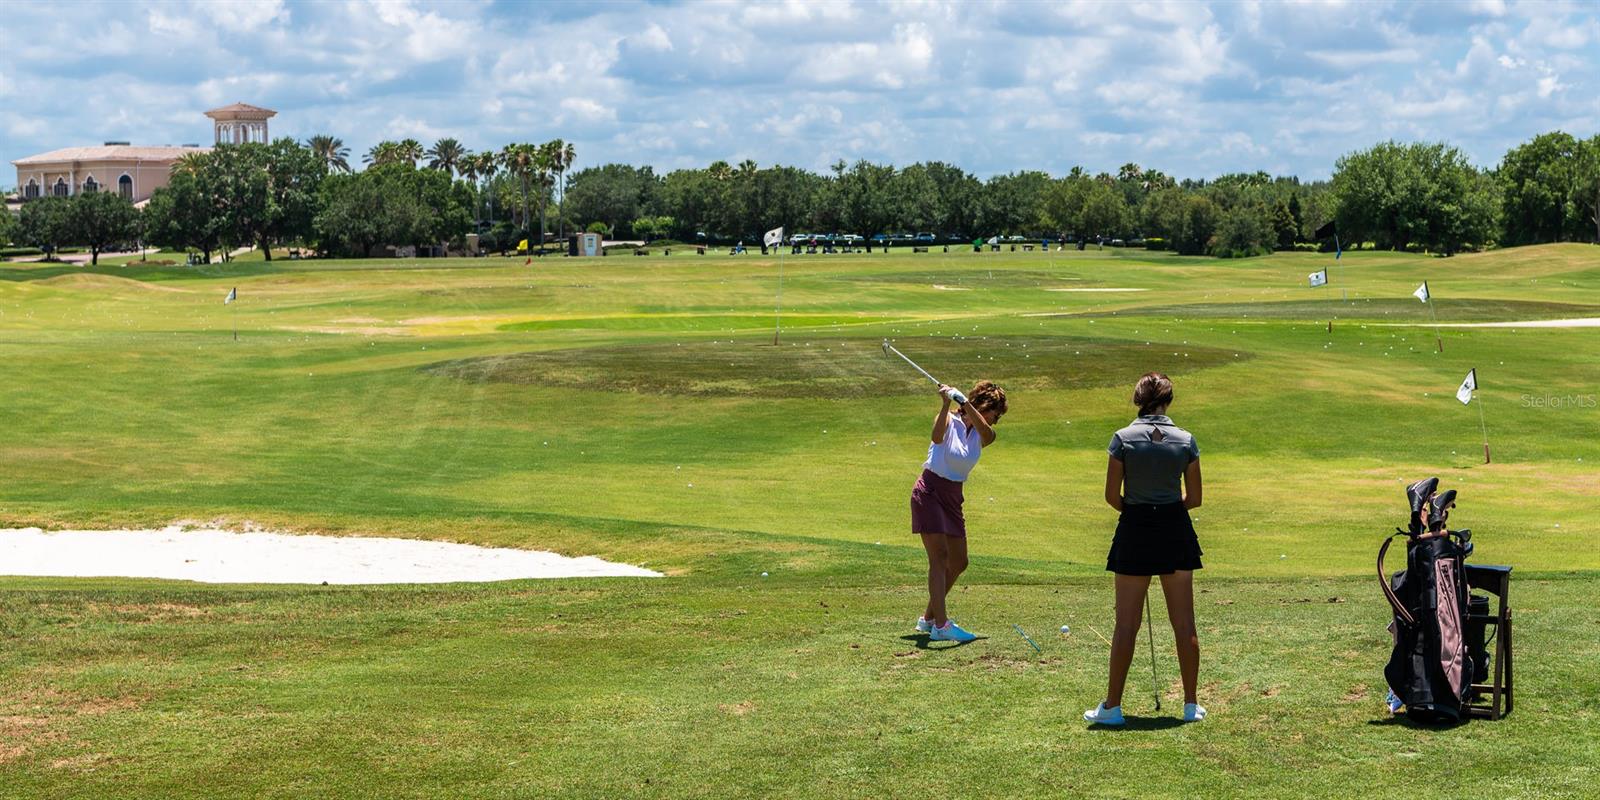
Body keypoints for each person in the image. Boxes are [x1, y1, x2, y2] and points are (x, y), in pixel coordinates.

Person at [1085, 372, 1205, 725]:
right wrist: (1166, 512)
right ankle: (1190, 705)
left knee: (1126, 625)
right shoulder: (1185, 439)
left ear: (1138, 399)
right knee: (1184, 624)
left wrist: (1140, 513)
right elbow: (1194, 499)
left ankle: (1112, 707)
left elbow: (1111, 496)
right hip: (1175, 531)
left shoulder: (1123, 438)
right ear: (1168, 400)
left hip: (1135, 530)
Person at [910, 380, 1007, 642]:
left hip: (953, 497)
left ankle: (928, 618)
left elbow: (987, 432)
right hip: (929, 492)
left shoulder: (983, 434)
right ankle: (941, 626)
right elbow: (937, 437)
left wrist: (963, 402)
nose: (995, 421)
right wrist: (946, 405)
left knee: (959, 561)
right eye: (995, 414)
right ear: (985, 406)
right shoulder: (948, 420)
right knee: (939, 558)